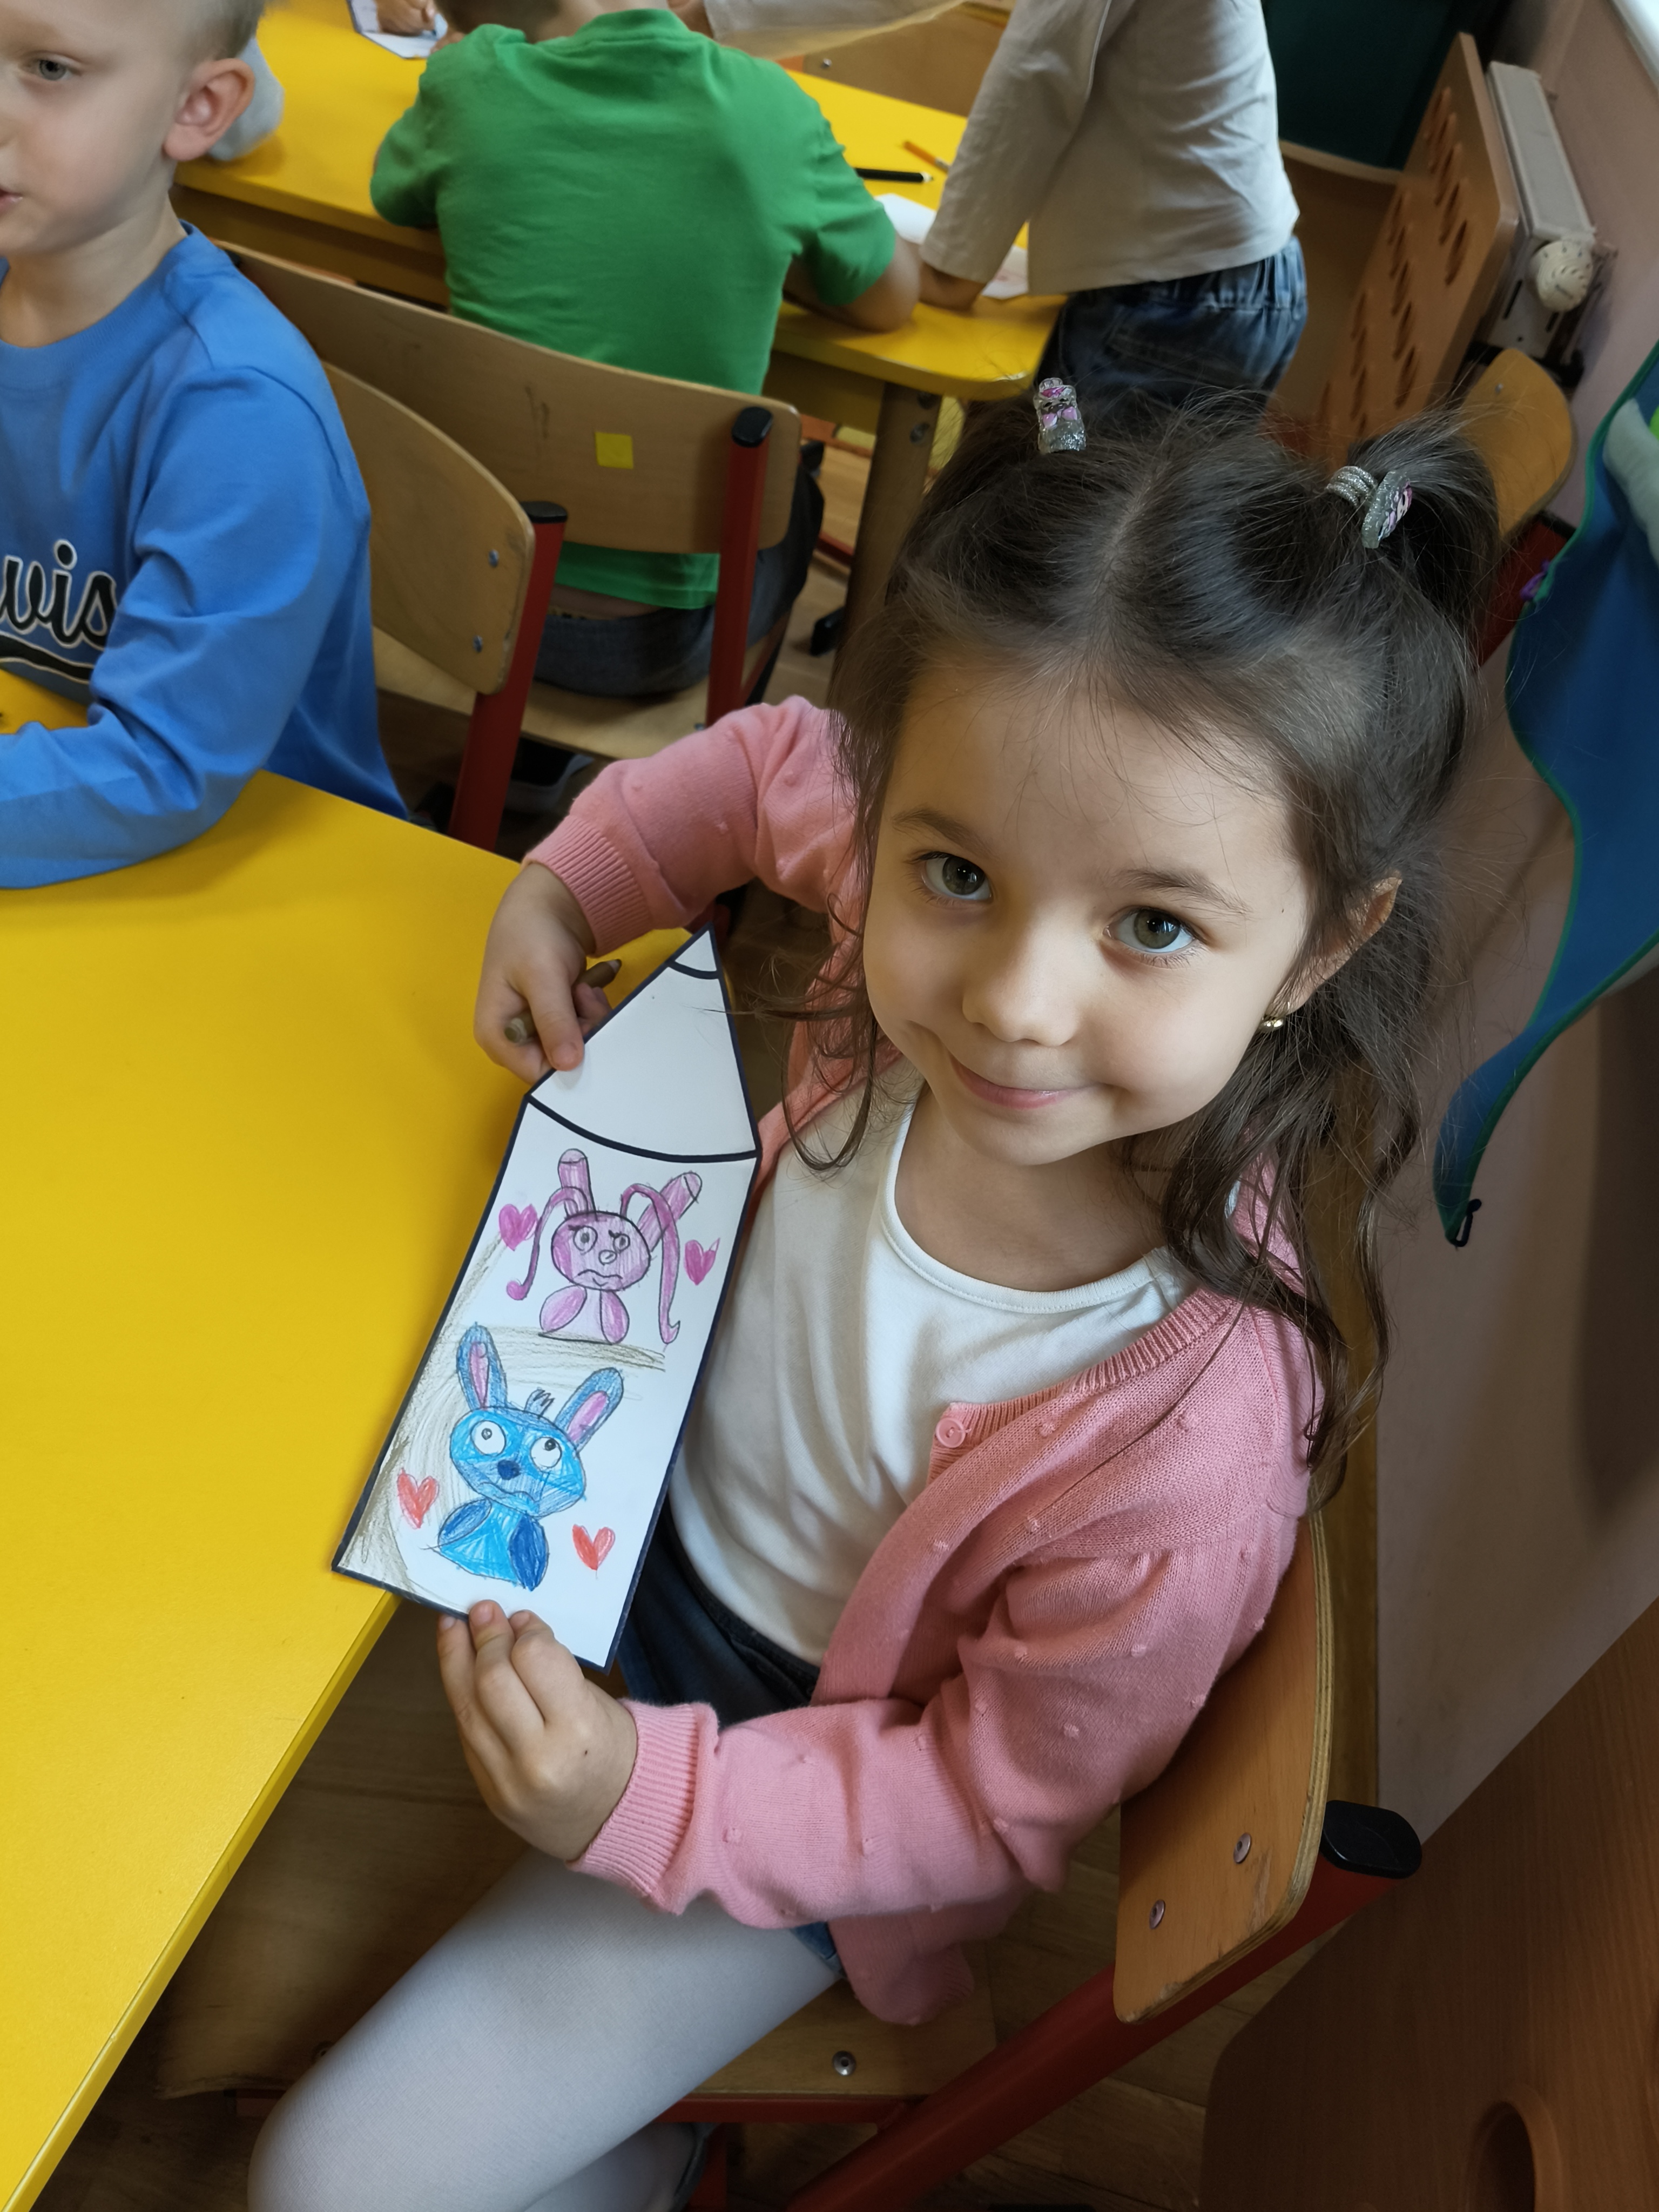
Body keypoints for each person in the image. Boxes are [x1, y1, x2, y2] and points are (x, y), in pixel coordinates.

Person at [248, 396, 1498, 2212]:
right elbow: (769, 764)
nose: (1011, 1001)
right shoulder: (910, 869)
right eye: (957, 874)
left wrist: (648, 1798)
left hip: (796, 1765)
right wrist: (570, 884)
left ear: (1319, 945)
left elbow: (980, 1802)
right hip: (602, 1512)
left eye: (1152, 925)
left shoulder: (1189, 1442)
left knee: (325, 2180)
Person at [367, 0, 918, 703]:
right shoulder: (773, 108)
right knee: (794, 494)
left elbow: (393, 193)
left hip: (460, 594)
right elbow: (891, 300)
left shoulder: (467, 83)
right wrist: (768, 235)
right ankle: (749, 751)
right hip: (652, 645)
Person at [0, 0, 404, 888]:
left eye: (51, 69)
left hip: (258, 878)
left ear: (198, 108)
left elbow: (162, 766)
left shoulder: (239, 410)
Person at [678, 0, 1308, 417]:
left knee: (1061, 518)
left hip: (1179, 305)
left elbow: (1039, 72)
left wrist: (952, 268)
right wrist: (709, 13)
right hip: (1222, 290)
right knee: (1056, 485)